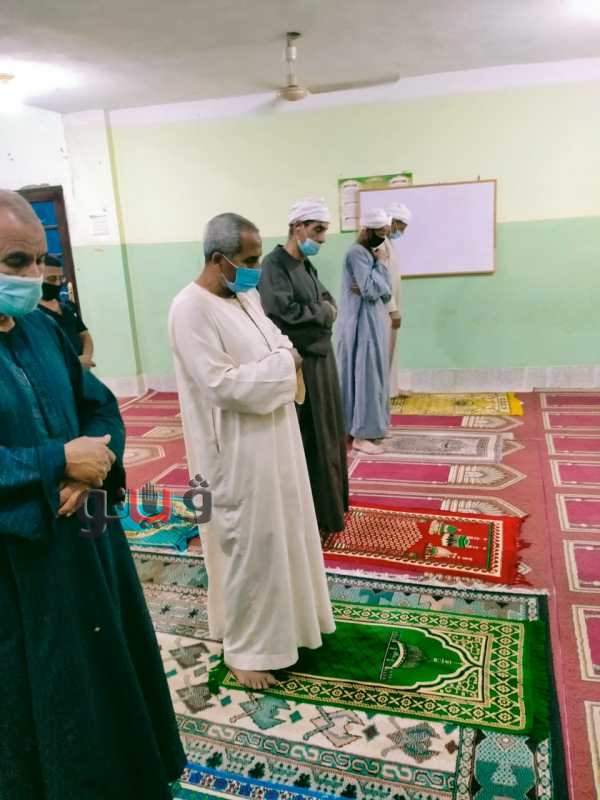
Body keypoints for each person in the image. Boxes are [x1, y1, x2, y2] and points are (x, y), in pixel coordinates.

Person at [0, 190, 185, 799]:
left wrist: (89, 467)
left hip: (89, 536)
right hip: (21, 565)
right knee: (46, 698)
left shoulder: (42, 327)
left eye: (38, 260)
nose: (33, 276)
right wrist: (55, 460)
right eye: (17, 262)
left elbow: (99, 406)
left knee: (110, 672)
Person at [168, 212, 335, 692]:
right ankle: (246, 651)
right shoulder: (189, 308)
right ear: (219, 259)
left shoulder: (245, 297)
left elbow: (280, 343)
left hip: (275, 438)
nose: (256, 269)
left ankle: (289, 631)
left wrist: (280, 361)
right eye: (249, 260)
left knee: (281, 535)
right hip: (234, 452)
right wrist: (283, 365)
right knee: (247, 546)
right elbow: (222, 384)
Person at [259, 198, 348, 535]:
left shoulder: (305, 265)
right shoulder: (274, 266)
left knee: (329, 432)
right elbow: (284, 314)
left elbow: (329, 300)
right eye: (318, 230)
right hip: (300, 365)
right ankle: (312, 515)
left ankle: (331, 507)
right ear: (298, 227)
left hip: (321, 360)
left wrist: (322, 311)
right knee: (310, 437)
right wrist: (323, 313)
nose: (322, 238)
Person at [336, 208, 392, 455]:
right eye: (380, 232)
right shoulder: (357, 253)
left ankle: (367, 426)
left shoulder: (369, 254)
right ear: (367, 230)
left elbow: (386, 291)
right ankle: (361, 434)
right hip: (360, 323)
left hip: (371, 321)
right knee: (365, 376)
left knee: (371, 374)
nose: (383, 237)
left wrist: (377, 277)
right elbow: (370, 290)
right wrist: (379, 267)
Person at [376, 203, 412, 397]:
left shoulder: (389, 243)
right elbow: (381, 280)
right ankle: (382, 391)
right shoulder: (380, 244)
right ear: (394, 222)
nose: (402, 232)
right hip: (383, 308)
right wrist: (392, 308)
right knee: (382, 349)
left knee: (391, 348)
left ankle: (391, 388)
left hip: (392, 306)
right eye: (402, 227)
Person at [38, 254, 96, 368]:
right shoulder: (31, 315)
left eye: (61, 278)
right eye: (52, 279)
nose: (58, 283)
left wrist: (86, 357)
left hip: (82, 371)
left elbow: (84, 334)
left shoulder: (68, 308)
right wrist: (74, 363)